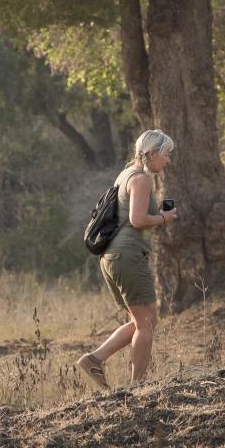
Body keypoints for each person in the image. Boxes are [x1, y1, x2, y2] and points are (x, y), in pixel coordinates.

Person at [76, 130, 179, 390]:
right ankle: (137, 386)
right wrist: (165, 218)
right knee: (146, 324)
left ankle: (95, 359)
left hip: (112, 256)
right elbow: (137, 220)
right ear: (152, 153)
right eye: (166, 155)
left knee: (144, 320)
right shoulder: (142, 179)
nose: (168, 161)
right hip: (127, 255)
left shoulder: (125, 175)